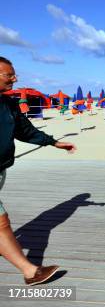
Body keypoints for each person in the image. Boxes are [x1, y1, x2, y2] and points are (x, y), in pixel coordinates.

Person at [0, 56, 77, 285]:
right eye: (9, 75)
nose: (15, 78)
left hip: (1, 169)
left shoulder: (8, 104)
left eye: (14, 74)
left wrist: (54, 142)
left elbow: (25, 130)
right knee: (1, 222)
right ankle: (31, 272)